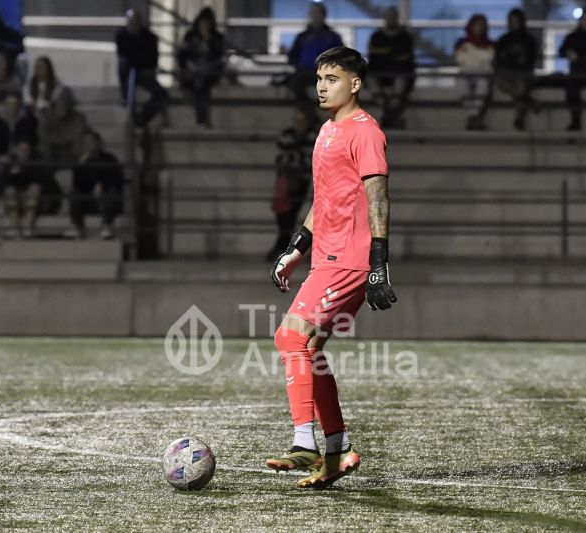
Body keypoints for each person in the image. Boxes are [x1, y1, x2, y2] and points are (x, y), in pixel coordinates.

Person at [266, 46, 396, 489]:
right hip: (327, 256)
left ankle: (305, 442)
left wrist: (378, 263)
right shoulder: (326, 130)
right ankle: (338, 450)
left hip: (348, 259)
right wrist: (295, 249)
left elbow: (378, 198)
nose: (322, 87)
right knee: (311, 348)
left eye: (333, 78)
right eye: (319, 78)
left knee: (289, 337)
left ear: (355, 84)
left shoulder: (366, 132)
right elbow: (325, 200)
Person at [267, 107, 316, 262]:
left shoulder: (311, 136)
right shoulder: (288, 135)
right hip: (287, 179)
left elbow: (309, 159)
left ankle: (283, 246)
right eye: (296, 121)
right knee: (283, 214)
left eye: (301, 121)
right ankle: (283, 245)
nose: (298, 125)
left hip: (302, 180)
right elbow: (281, 157)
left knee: (292, 213)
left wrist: (295, 157)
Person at [66, 130, 123, 240]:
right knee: (75, 193)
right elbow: (77, 183)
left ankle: (107, 225)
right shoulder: (80, 161)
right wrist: (81, 164)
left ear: (97, 143)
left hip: (105, 197)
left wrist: (101, 184)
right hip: (88, 199)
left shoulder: (109, 159)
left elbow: (117, 179)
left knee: (113, 191)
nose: (87, 145)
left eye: (90, 142)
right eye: (84, 142)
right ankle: (78, 227)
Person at [116, 8, 167, 126]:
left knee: (161, 95)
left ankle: (142, 117)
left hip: (145, 74)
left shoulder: (150, 38)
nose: (133, 25)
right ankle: (128, 106)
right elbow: (124, 56)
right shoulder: (121, 36)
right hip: (128, 74)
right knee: (125, 70)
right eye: (131, 22)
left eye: (136, 22)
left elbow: (152, 60)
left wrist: (138, 61)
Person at [2, 140, 62, 239]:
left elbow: (40, 180)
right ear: (16, 151)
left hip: (39, 201)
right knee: (9, 190)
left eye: (26, 150)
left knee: (34, 188)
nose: (23, 152)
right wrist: (13, 172)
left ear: (30, 151)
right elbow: (5, 182)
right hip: (18, 200)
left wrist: (21, 170)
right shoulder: (11, 163)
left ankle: (27, 227)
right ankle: (14, 227)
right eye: (20, 149)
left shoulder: (36, 162)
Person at [367, 6, 415, 129]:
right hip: (379, 72)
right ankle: (391, 116)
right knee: (371, 80)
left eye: (393, 16)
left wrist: (387, 56)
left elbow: (405, 59)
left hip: (401, 72)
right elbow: (374, 57)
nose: (390, 19)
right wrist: (391, 56)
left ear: (397, 18)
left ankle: (388, 117)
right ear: (384, 18)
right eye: (388, 16)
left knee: (400, 82)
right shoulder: (377, 36)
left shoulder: (405, 36)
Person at [176, 7, 224, 127]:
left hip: (209, 69)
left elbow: (218, 56)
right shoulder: (190, 35)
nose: (205, 25)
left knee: (201, 82)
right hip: (193, 68)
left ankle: (202, 119)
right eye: (203, 22)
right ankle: (202, 119)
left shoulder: (217, 37)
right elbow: (183, 56)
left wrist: (209, 40)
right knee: (200, 85)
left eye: (207, 22)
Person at [287, 2, 343, 105]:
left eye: (317, 13)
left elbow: (341, 56)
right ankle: (309, 110)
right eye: (312, 13)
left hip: (325, 73)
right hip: (304, 72)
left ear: (323, 15)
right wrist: (299, 66)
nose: (314, 16)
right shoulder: (302, 37)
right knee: (294, 81)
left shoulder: (332, 37)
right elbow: (292, 56)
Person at [494, 8, 538, 130]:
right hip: (506, 73)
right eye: (511, 21)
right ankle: (528, 100)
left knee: (521, 86)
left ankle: (519, 118)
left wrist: (512, 61)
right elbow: (499, 60)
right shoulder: (503, 39)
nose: (514, 24)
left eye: (516, 21)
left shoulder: (529, 40)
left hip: (523, 73)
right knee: (501, 81)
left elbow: (529, 61)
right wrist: (512, 62)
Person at [455, 14, 495, 131]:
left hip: (482, 73)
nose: (479, 28)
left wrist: (470, 50)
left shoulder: (489, 43)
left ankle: (473, 116)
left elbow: (488, 57)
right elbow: (460, 58)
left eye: (481, 25)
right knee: (461, 83)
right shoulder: (461, 42)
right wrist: (479, 54)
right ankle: (473, 117)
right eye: (476, 25)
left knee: (483, 84)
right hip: (465, 72)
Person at [38, 88, 88, 163]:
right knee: (43, 146)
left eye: (65, 103)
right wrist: (61, 139)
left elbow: (77, 135)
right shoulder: (46, 116)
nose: (62, 106)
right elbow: (42, 134)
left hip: (70, 154)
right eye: (59, 103)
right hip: (50, 153)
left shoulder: (78, 118)